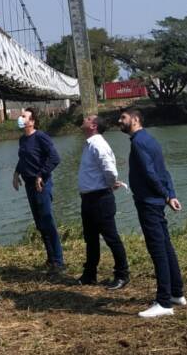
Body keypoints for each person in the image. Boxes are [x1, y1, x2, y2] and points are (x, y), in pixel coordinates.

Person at [118, 107, 187, 318]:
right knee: (166, 246)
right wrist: (170, 195)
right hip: (157, 201)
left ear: (135, 119)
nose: (119, 121)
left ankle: (164, 302)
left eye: (123, 117)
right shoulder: (149, 139)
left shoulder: (138, 142)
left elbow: (150, 173)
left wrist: (166, 196)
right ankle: (177, 293)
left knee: (157, 250)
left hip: (149, 202)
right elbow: (163, 171)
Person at [73, 114, 130, 290]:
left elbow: (110, 170)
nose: (85, 119)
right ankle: (90, 274)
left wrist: (111, 184)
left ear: (94, 126)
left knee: (111, 237)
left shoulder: (98, 144)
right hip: (89, 198)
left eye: (88, 118)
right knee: (90, 238)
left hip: (100, 198)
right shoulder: (90, 144)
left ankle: (122, 274)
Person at [12, 107, 64, 271]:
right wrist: (16, 173)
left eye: (23, 116)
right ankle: (50, 259)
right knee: (40, 224)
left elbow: (55, 158)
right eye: (21, 116)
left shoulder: (41, 137)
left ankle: (59, 261)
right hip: (29, 185)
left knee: (48, 222)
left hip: (41, 184)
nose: (20, 118)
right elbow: (23, 159)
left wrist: (41, 175)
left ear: (32, 121)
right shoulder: (22, 140)